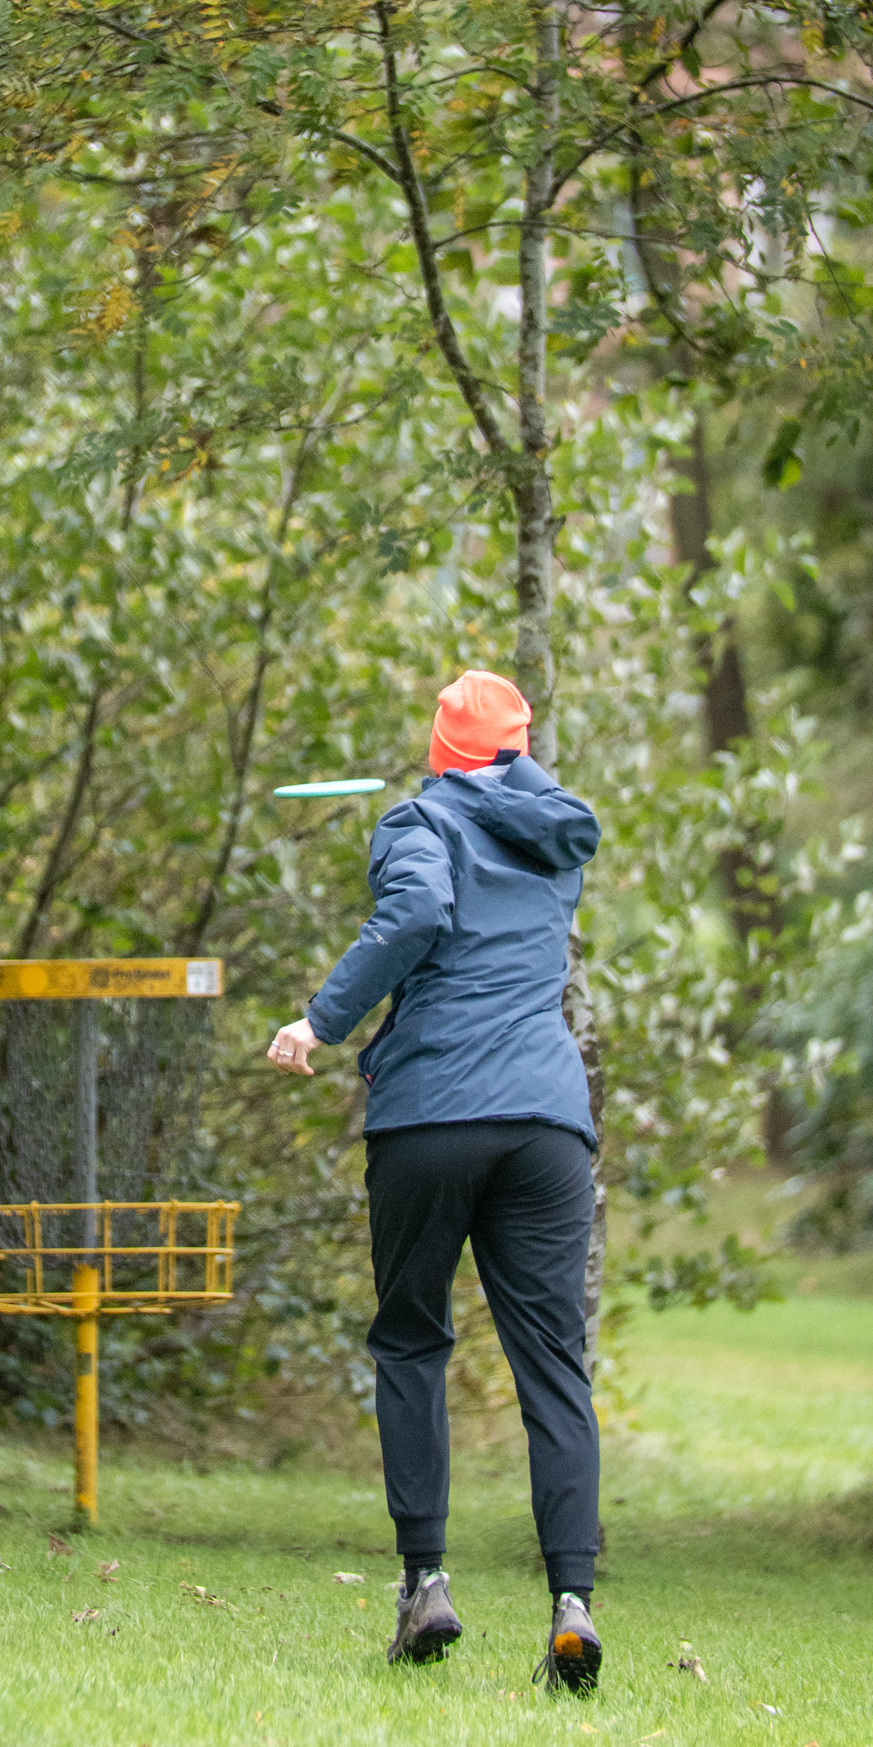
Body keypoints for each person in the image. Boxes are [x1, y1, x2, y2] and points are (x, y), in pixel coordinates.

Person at [267, 669, 603, 1693]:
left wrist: (319, 1020)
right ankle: (572, 1605)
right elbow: (510, 812)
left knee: (412, 1340)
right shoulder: (557, 835)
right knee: (554, 1365)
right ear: (522, 748)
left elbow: (417, 911)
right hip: (546, 1123)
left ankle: (424, 1584)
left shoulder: (417, 823)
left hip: (431, 1114)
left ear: (438, 748)